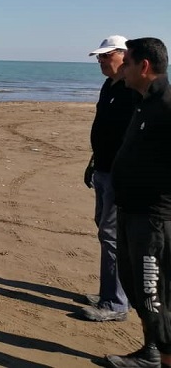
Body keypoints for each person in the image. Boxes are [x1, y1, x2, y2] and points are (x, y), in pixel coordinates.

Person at [104, 38, 171, 368]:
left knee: (153, 297)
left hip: (153, 218)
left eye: (127, 63)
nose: (123, 69)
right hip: (130, 212)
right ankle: (150, 350)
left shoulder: (167, 105)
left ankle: (161, 356)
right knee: (136, 290)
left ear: (144, 66)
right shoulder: (143, 101)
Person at [81, 35, 135, 322]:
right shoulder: (109, 85)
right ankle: (112, 293)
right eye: (99, 57)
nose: (101, 61)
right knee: (105, 231)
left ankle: (115, 303)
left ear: (123, 55)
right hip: (102, 170)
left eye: (106, 55)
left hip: (119, 173)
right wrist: (92, 163)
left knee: (112, 235)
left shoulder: (132, 88)